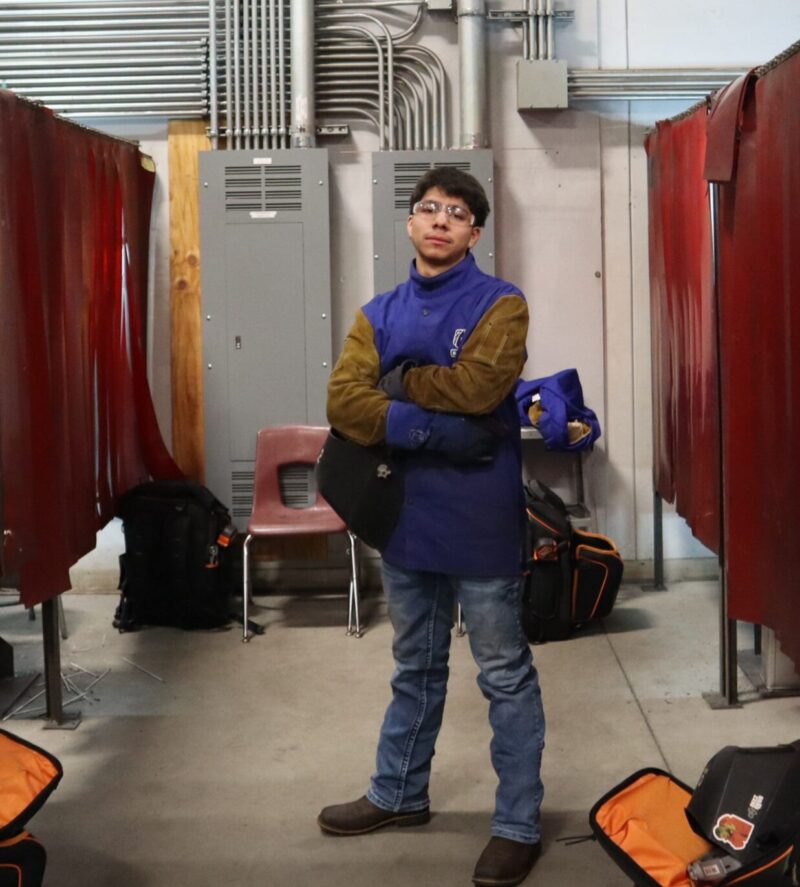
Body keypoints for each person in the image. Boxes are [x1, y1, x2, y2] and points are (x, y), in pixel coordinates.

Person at [318, 167, 545, 887]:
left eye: (455, 213)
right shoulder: (376, 312)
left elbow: (481, 387)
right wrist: (440, 431)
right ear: (412, 224)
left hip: (480, 520)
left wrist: (400, 381)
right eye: (428, 209)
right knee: (414, 666)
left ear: (474, 231)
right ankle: (398, 792)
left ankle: (516, 823)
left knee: (504, 674)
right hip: (405, 515)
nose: (440, 220)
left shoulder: (500, 303)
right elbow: (343, 403)